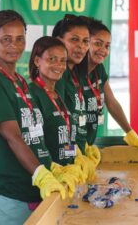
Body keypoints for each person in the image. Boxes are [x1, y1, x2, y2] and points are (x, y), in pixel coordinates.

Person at [0, 10, 65, 224]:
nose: (14, 45)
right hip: (12, 193)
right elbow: (12, 136)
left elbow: (34, 133)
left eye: (20, 39)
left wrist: (51, 166)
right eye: (5, 39)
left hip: (34, 190)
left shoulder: (20, 81)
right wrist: (41, 174)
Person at [85, 18, 138, 154]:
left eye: (107, 46)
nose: (103, 50)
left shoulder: (99, 70)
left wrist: (131, 134)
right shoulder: (73, 73)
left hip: (86, 142)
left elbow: (112, 103)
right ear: (86, 43)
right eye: (98, 44)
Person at [28, 36, 85, 196]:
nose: (59, 65)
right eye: (52, 59)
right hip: (47, 185)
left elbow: (63, 138)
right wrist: (53, 168)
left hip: (66, 179)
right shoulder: (32, 94)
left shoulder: (57, 94)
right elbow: (34, 142)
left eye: (62, 61)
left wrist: (76, 156)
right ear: (37, 61)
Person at [53, 14, 96, 181]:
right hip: (61, 165)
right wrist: (74, 153)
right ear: (58, 41)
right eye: (74, 40)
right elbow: (58, 126)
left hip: (73, 158)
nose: (81, 47)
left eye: (86, 41)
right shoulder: (57, 75)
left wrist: (83, 148)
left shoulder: (75, 74)